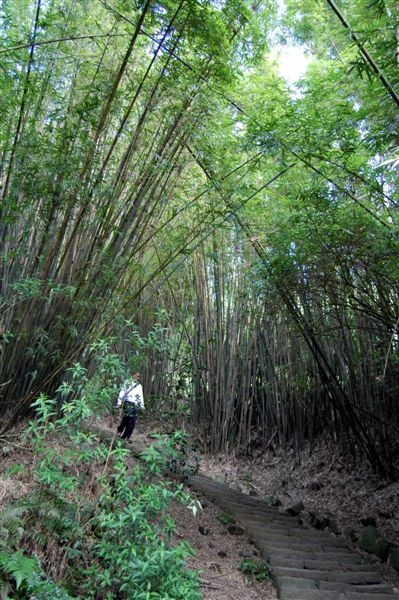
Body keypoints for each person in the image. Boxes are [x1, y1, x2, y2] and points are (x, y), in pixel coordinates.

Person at [116, 372, 144, 442]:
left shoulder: (139, 386)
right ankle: (120, 430)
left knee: (133, 421)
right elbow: (122, 391)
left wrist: (142, 405)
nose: (137, 378)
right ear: (133, 375)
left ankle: (126, 437)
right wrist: (119, 402)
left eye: (139, 377)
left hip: (135, 405)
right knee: (127, 418)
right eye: (136, 376)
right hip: (128, 402)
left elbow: (140, 396)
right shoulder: (127, 382)